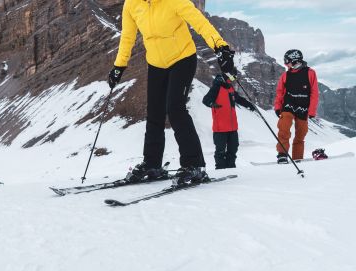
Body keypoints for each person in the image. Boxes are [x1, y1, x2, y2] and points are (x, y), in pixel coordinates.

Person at [108, 0, 235, 185]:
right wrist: (119, 66)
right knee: (154, 113)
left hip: (182, 58)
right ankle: (152, 165)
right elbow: (127, 36)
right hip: (156, 63)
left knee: (175, 108)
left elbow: (199, 22)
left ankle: (194, 165)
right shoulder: (131, 4)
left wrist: (220, 47)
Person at [274, 49, 319, 164]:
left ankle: (297, 158)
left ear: (295, 60)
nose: (285, 64)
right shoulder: (285, 75)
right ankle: (282, 154)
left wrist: (312, 111)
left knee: (301, 133)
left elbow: (314, 93)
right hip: (288, 105)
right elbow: (280, 92)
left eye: (287, 61)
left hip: (303, 107)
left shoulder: (310, 73)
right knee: (284, 127)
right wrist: (278, 107)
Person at [202, 72, 255, 169]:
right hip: (220, 128)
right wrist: (212, 103)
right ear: (226, 76)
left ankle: (231, 167)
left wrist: (250, 105)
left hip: (232, 127)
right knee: (220, 151)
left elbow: (239, 99)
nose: (233, 80)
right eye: (232, 77)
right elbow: (205, 100)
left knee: (233, 149)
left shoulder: (230, 88)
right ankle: (221, 169)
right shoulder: (216, 87)